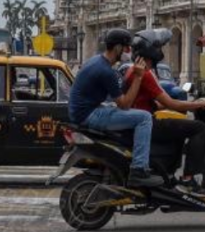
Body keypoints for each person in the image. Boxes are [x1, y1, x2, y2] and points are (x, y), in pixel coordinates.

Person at [69, 29, 163, 188]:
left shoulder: (97, 61)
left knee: (116, 108)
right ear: (118, 48)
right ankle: (138, 169)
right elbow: (125, 104)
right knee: (144, 118)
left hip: (84, 111)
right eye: (127, 48)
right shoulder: (106, 71)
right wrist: (139, 77)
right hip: (88, 115)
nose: (129, 52)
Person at [123, 46, 205, 193]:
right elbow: (170, 103)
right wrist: (200, 104)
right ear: (149, 58)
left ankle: (169, 173)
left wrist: (178, 106)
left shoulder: (131, 71)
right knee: (198, 127)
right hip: (146, 122)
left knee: (179, 126)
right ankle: (188, 178)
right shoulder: (145, 74)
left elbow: (150, 101)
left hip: (138, 119)